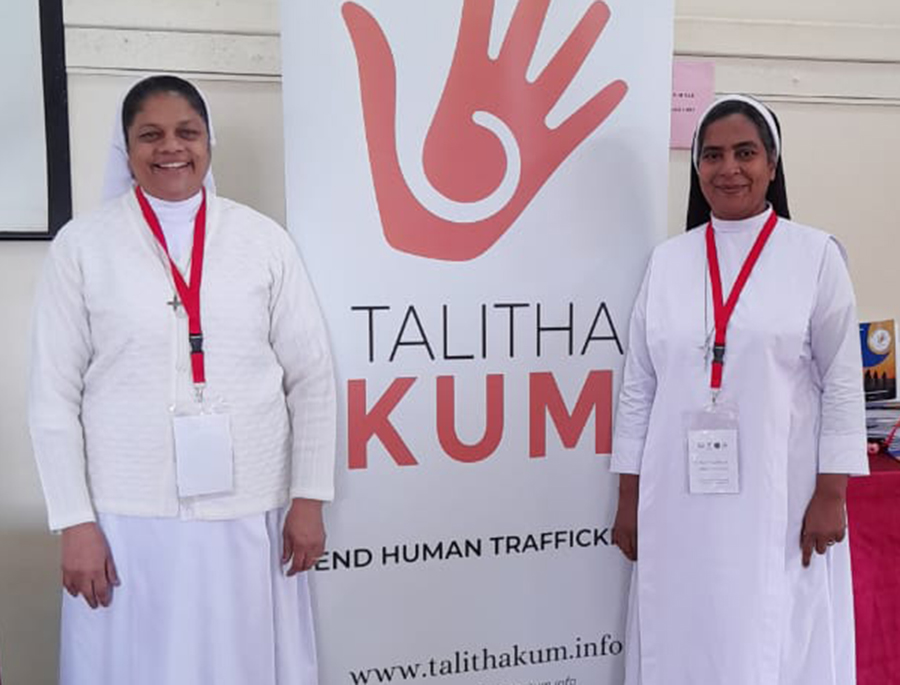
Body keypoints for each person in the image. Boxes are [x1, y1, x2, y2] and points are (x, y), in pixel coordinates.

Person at [29, 75, 336, 685]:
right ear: (127, 148)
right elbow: (53, 395)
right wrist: (75, 522)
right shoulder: (82, 247)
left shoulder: (263, 241)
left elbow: (313, 379)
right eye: (151, 135)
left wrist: (308, 498)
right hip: (125, 518)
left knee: (240, 662)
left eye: (187, 132)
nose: (171, 148)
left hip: (249, 511)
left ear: (208, 140)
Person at [610, 94, 867, 685]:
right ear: (697, 168)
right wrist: (629, 496)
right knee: (682, 619)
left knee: (769, 630)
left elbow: (843, 380)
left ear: (773, 165)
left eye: (745, 153)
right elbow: (640, 385)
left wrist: (833, 492)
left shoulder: (815, 256)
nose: (729, 169)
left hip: (781, 497)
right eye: (713, 155)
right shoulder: (668, 262)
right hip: (676, 495)